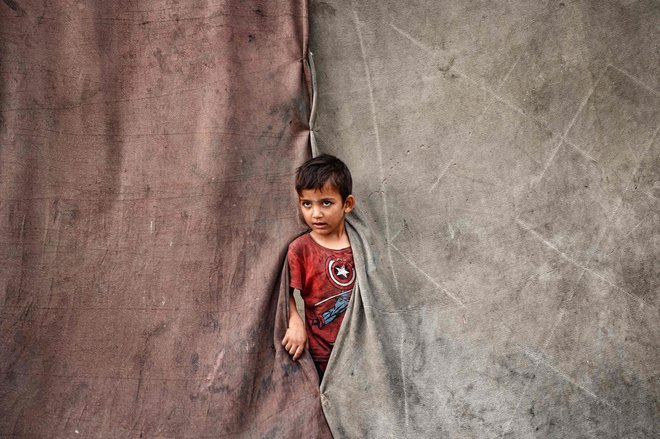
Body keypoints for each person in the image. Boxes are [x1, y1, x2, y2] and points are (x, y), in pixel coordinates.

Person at [282, 154, 356, 381]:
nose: (316, 214)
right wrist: (295, 321)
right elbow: (285, 294)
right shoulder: (300, 249)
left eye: (326, 202)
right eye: (307, 204)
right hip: (321, 357)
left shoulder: (361, 246)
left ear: (347, 204)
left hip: (359, 352)